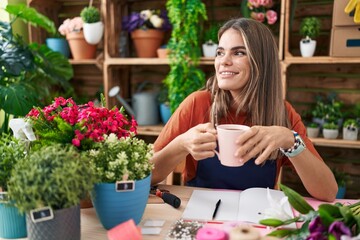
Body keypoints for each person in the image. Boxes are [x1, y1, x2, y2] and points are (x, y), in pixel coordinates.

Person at [151, 18, 337, 202]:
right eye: (220, 52)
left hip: (257, 219)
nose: (223, 62)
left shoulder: (283, 114)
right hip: (201, 215)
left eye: (238, 53)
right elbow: (146, 176)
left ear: (261, 61)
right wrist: (181, 144)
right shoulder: (197, 104)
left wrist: (291, 140)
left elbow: (328, 192)